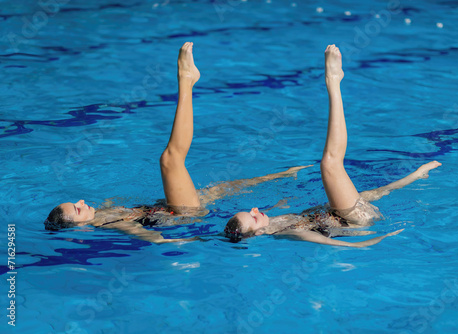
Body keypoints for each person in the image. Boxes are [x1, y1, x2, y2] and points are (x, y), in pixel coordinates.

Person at [45, 42, 310, 244]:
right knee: (170, 160)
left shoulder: (102, 212)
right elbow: (140, 233)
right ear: (79, 227)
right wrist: (174, 241)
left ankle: (281, 175)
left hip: (172, 208)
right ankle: (187, 81)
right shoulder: (107, 223)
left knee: (220, 188)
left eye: (74, 202)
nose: (81, 201)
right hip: (182, 215)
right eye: (77, 210)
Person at [224, 44, 442, 247]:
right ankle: (334, 82)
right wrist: (372, 242)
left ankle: (417, 175)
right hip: (355, 223)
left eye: (249, 211)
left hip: (338, 213)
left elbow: (209, 237)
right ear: (258, 233)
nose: (255, 211)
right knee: (330, 164)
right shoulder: (286, 233)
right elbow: (331, 243)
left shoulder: (269, 222)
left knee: (369, 194)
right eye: (252, 218)